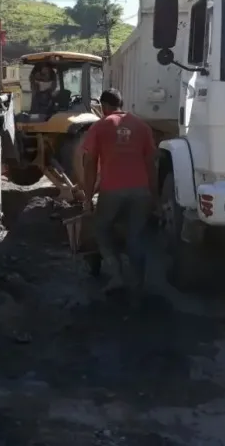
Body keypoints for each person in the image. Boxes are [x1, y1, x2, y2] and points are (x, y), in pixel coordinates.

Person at [81, 88, 156, 298]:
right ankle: (139, 285)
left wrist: (88, 198)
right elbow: (151, 163)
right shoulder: (142, 126)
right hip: (141, 191)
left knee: (101, 229)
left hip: (112, 191)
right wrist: (154, 196)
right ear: (121, 104)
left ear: (104, 107)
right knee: (136, 237)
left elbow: (89, 163)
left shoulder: (100, 126)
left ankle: (117, 276)